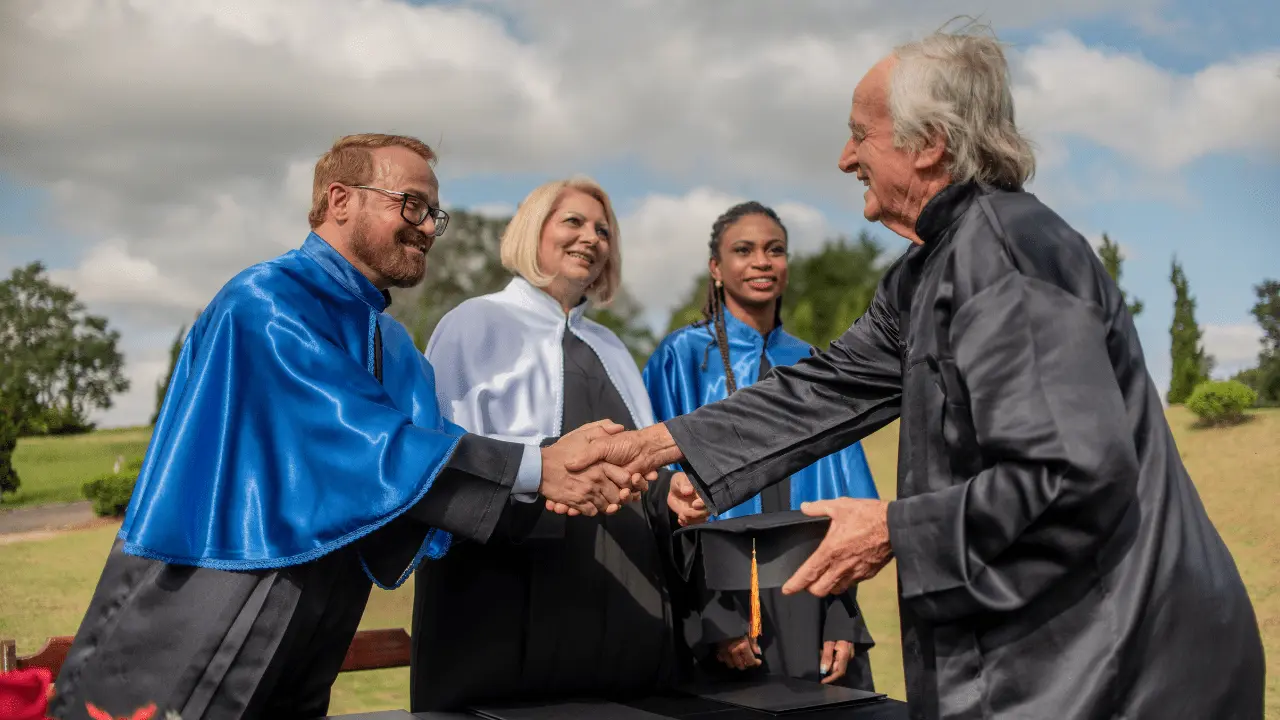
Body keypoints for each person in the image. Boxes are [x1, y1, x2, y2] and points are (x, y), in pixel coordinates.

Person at [565, 28, 1266, 720]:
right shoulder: (926, 270)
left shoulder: (1005, 252)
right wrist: (654, 444)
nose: (845, 159)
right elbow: (826, 386)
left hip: (1126, 666)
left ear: (928, 141)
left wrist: (895, 529)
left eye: (860, 135)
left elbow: (1069, 474)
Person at [48, 135, 646, 720]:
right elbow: (361, 440)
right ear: (340, 201)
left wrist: (570, 475)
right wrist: (544, 467)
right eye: (410, 203)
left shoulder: (394, 343)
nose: (425, 226)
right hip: (215, 583)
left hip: (325, 606)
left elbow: (436, 463)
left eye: (433, 214)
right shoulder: (266, 301)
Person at [409, 176, 691, 711]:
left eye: (604, 230)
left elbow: (642, 472)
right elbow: (441, 460)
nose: (592, 237)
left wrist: (671, 497)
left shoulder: (613, 347)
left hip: (622, 605)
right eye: (574, 222)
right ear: (533, 230)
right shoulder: (474, 324)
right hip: (504, 601)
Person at [642, 201, 877, 690]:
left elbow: (846, 495)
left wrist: (840, 615)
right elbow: (657, 491)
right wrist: (712, 616)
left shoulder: (813, 364)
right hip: (717, 592)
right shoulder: (681, 358)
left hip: (809, 584)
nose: (761, 262)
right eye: (743, 250)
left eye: (775, 250)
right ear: (717, 268)